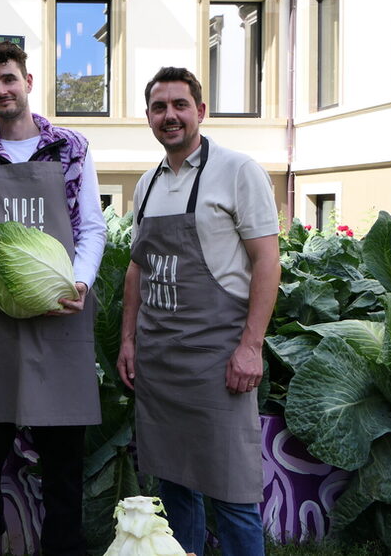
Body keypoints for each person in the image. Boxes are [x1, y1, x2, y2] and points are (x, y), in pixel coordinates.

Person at [0, 41, 106, 556]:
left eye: (8, 79)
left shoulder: (71, 147)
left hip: (60, 311)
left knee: (62, 452)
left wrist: (76, 283)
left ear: (28, 81)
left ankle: (63, 546)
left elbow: (92, 228)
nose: (0, 91)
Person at [116, 67, 281, 556]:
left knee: (233, 494)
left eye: (180, 105)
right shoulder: (147, 183)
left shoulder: (238, 170)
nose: (170, 116)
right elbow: (136, 268)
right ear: (148, 117)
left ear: (201, 112)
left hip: (219, 359)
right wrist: (128, 339)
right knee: (173, 488)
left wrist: (251, 347)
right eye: (160, 107)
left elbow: (266, 261)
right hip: (161, 362)